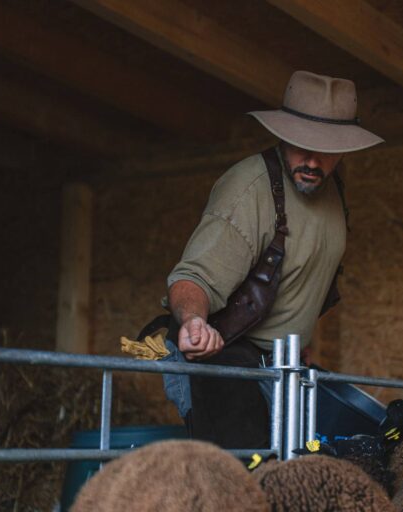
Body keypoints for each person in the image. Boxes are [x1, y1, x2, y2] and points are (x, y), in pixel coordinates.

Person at [163, 70, 383, 449]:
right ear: (281, 135)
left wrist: (294, 336)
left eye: (327, 149)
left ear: (345, 149)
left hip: (279, 361)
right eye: (301, 145)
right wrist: (195, 322)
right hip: (223, 355)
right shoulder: (250, 190)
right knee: (244, 478)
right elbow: (192, 278)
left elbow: (304, 271)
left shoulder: (335, 190)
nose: (313, 161)